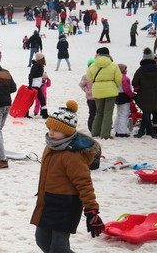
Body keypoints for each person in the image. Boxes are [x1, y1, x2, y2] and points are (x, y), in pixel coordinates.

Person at [31, 101, 104, 252]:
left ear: (68, 132)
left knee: (58, 248)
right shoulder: (51, 146)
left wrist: (91, 210)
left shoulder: (72, 155)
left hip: (66, 205)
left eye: (56, 130)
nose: (51, 133)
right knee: (42, 241)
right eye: (50, 128)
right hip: (48, 202)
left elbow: (84, 183)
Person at [86, 47, 122, 140]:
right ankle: (105, 134)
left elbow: (89, 78)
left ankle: (95, 132)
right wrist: (115, 85)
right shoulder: (113, 65)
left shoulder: (93, 65)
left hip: (97, 90)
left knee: (99, 112)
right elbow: (119, 79)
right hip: (110, 91)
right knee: (108, 112)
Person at [132, 48, 157, 139]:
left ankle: (144, 132)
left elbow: (134, 83)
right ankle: (147, 132)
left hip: (142, 94)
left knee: (146, 112)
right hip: (154, 94)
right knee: (148, 112)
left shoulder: (140, 70)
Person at [112, 64, 135, 137]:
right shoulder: (125, 78)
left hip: (117, 96)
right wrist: (132, 95)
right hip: (124, 96)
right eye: (125, 69)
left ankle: (117, 129)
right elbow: (126, 89)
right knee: (124, 114)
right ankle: (122, 132)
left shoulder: (115, 77)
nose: (126, 70)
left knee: (119, 113)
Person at [27, 52, 49, 118]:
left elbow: (37, 76)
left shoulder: (38, 65)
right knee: (34, 100)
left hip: (37, 85)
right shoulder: (36, 66)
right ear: (41, 59)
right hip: (34, 86)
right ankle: (44, 114)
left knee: (41, 99)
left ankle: (44, 114)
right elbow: (31, 75)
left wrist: (42, 81)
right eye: (43, 58)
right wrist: (30, 84)